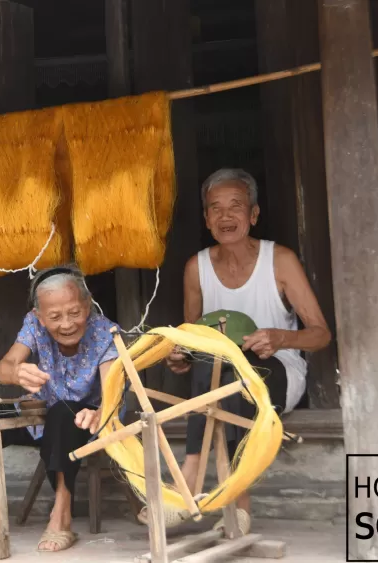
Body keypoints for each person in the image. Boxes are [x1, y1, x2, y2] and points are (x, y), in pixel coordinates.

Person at [144, 168, 332, 533]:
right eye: (216, 208)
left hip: (275, 371)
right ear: (206, 218)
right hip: (217, 376)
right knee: (215, 361)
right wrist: (181, 357)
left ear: (254, 214)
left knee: (232, 374)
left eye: (236, 206)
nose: (226, 216)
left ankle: (190, 479)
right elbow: (193, 338)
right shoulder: (196, 268)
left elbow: (321, 334)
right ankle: (236, 507)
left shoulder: (280, 260)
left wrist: (281, 337)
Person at [0, 264, 119, 553]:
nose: (67, 324)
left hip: (88, 420)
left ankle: (61, 516)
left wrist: (101, 412)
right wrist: (17, 373)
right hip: (39, 414)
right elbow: (2, 368)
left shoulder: (105, 332)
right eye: (55, 317)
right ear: (40, 317)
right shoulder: (32, 325)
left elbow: (113, 391)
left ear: (87, 304)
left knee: (64, 412)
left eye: (74, 312)